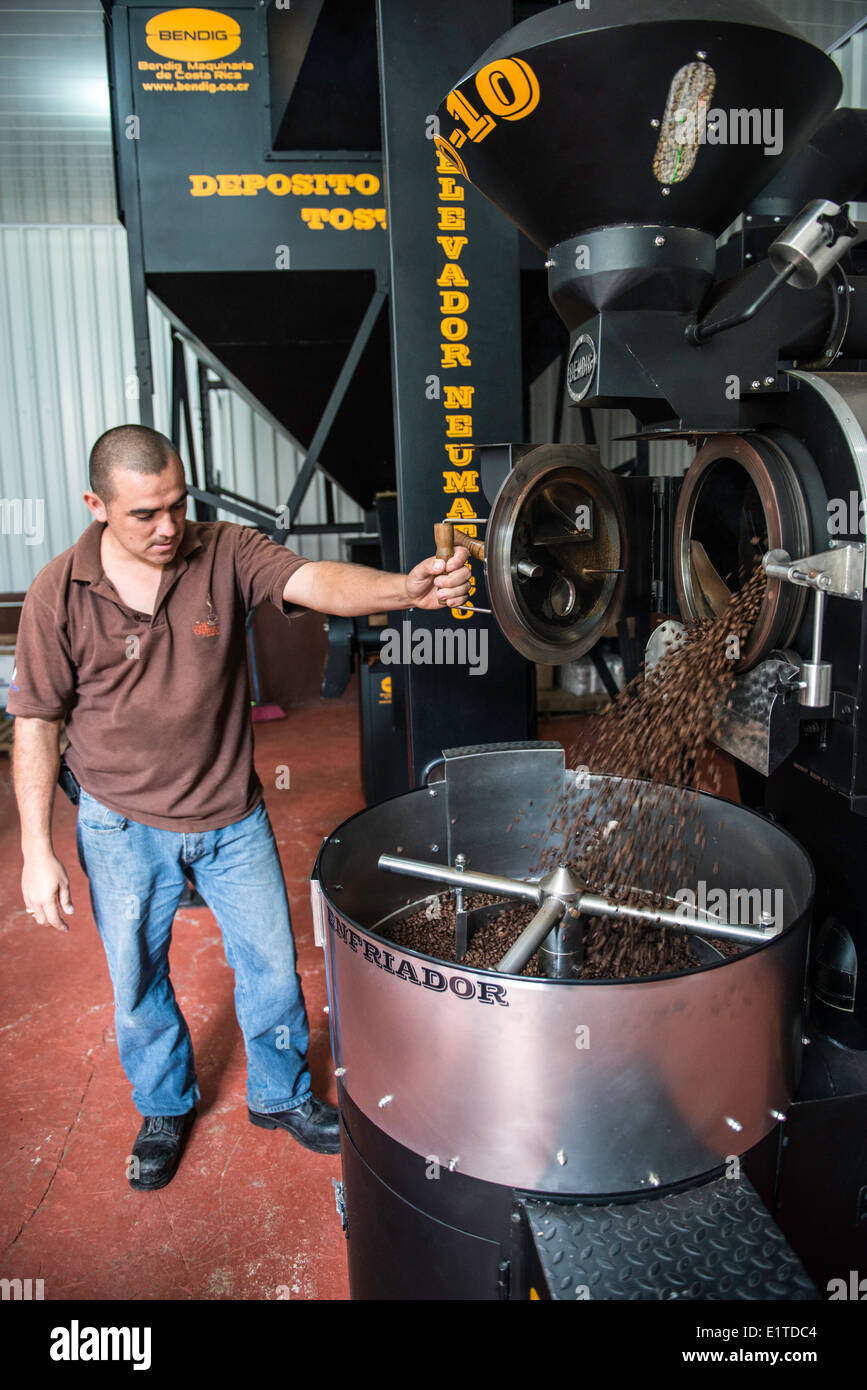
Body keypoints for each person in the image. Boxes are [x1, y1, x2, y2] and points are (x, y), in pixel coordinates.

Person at [9, 424, 471, 1191]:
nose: (167, 527)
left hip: (231, 816)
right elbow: (36, 724)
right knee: (136, 981)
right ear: (96, 505)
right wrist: (37, 849)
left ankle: (281, 1095)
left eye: (177, 504)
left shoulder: (221, 549)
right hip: (120, 824)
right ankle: (162, 1105)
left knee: (270, 966)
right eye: (143, 513)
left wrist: (402, 589)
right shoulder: (59, 594)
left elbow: (312, 581)